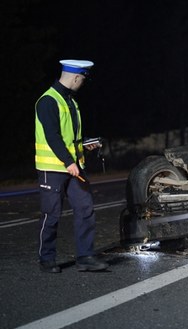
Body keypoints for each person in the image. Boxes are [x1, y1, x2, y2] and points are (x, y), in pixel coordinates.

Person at [34, 59, 109, 273]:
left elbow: (69, 137)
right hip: (53, 169)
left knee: (85, 209)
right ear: (76, 77)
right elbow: (52, 137)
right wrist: (68, 162)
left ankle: (85, 257)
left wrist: (85, 144)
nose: (82, 84)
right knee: (51, 214)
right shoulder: (48, 101)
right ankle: (46, 259)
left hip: (74, 167)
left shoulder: (70, 101)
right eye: (82, 80)